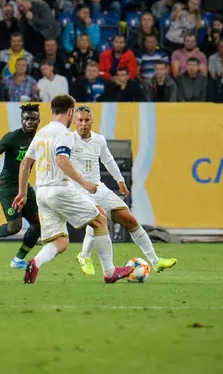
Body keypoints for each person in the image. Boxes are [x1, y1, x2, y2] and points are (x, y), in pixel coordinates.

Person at [12, 94, 133, 284]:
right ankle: (110, 272)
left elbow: (25, 163)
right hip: (59, 189)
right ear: (70, 112)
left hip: (41, 193)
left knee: (60, 242)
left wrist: (23, 192)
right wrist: (86, 184)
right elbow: (62, 160)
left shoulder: (41, 133)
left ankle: (34, 263)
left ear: (53, 111)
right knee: (100, 218)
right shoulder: (65, 134)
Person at [71, 105, 177, 275]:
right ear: (74, 122)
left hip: (98, 188)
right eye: (80, 120)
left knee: (130, 220)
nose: (83, 124)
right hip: (78, 190)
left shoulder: (99, 140)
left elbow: (109, 160)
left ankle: (156, 261)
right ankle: (85, 256)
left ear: (92, 121)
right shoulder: (68, 141)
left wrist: (120, 180)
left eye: (87, 120)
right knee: (99, 217)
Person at [0, 103, 42, 269]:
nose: (30, 121)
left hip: (24, 186)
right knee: (15, 227)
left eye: (33, 119)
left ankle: (18, 259)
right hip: (7, 185)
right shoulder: (13, 137)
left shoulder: (40, 139)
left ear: (39, 120)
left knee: (39, 223)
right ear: (22, 120)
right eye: (26, 118)